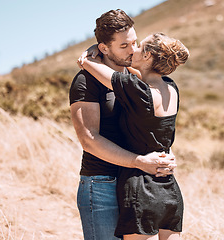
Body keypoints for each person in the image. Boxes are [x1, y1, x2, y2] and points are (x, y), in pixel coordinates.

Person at [69, 9, 176, 240]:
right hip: (102, 184)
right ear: (104, 48)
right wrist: (139, 162)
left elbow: (149, 126)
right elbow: (89, 140)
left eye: (135, 42)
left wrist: (164, 154)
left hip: (139, 183)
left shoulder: (137, 77)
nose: (133, 50)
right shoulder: (85, 81)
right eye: (124, 46)